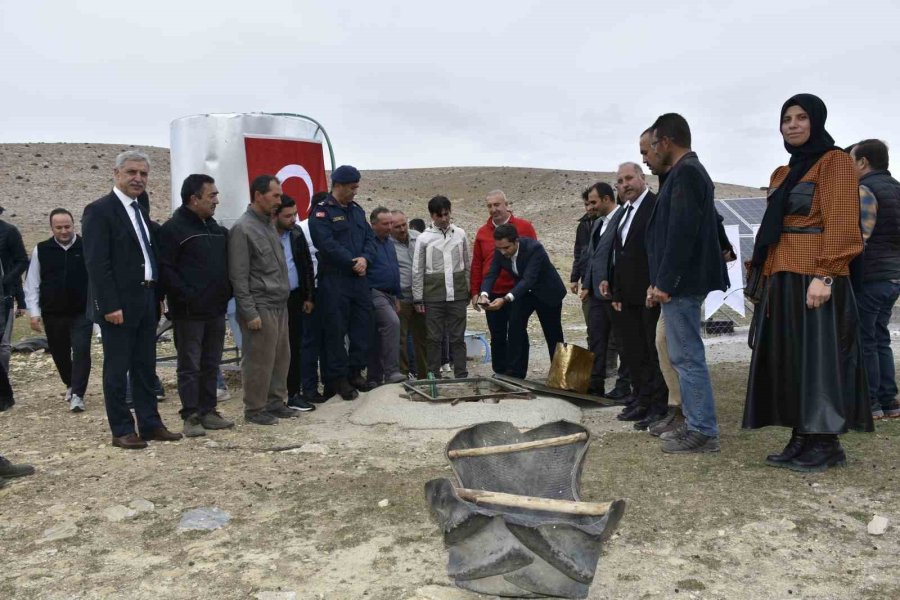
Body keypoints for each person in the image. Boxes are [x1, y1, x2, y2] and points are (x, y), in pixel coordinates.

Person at [743, 94, 872, 471]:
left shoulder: (835, 162)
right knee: (793, 360)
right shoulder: (783, 173)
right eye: (786, 119)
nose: (793, 125)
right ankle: (801, 434)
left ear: (816, 121)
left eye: (801, 117)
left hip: (816, 277)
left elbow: (842, 222)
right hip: (783, 277)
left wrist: (826, 274)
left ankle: (826, 443)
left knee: (819, 360)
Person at [82, 150, 182, 449]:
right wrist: (109, 305)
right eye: (131, 172)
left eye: (143, 174)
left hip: (147, 299)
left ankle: (150, 424)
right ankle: (122, 429)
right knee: (117, 369)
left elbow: (148, 256)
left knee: (145, 366)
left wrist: (157, 295)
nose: (138, 178)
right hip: (118, 306)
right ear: (116, 174)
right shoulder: (99, 211)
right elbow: (97, 263)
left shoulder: (140, 210)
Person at [645, 114, 729, 453]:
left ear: (666, 142)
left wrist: (665, 282)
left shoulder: (687, 173)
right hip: (679, 282)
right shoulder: (683, 173)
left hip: (682, 283)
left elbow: (681, 233)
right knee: (682, 355)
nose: (652, 152)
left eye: (653, 145)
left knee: (688, 357)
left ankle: (703, 431)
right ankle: (695, 424)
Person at [158, 174, 235, 437]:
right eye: (211, 195)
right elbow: (166, 270)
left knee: (211, 363)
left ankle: (208, 411)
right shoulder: (173, 229)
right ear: (194, 199)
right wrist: (187, 296)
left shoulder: (215, 229)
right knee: (190, 365)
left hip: (216, 310)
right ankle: (190, 416)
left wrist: (226, 292)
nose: (216, 200)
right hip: (189, 313)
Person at [602, 162, 668, 430]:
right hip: (627, 296)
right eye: (619, 181)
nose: (624, 184)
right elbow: (621, 254)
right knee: (633, 351)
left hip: (649, 294)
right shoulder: (624, 212)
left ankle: (658, 406)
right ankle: (641, 399)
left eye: (629, 178)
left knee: (652, 352)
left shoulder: (655, 205)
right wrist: (616, 290)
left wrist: (656, 284)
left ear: (642, 178)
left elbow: (659, 249)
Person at [228, 174, 298, 425]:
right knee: (259, 359)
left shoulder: (268, 225)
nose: (279, 200)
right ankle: (255, 408)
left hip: (279, 304)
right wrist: (250, 312)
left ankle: (275, 402)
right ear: (258, 195)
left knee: (280, 357)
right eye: (275, 195)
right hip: (260, 305)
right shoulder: (243, 229)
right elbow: (239, 276)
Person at [309, 166, 376, 399]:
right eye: (352, 187)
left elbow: (369, 239)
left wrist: (365, 259)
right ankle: (337, 378)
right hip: (335, 280)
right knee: (336, 330)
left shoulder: (357, 211)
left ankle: (355, 372)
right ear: (338, 185)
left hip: (359, 279)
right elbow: (326, 244)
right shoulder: (322, 212)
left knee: (362, 326)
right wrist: (351, 262)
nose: (355, 191)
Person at [847, 139, 900, 420]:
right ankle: (890, 401)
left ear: (863, 162)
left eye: (851, 161)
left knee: (866, 338)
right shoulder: (896, 188)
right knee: (881, 337)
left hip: (872, 275)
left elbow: (860, 236)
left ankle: (871, 403)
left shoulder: (865, 189)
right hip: (894, 276)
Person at [23, 208, 92, 412]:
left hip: (82, 311)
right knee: (59, 352)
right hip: (53, 312)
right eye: (59, 227)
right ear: (52, 228)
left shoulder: (87, 246)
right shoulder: (41, 250)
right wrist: (34, 313)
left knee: (81, 350)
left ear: (74, 225)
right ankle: (70, 383)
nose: (64, 231)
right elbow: (32, 283)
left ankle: (78, 394)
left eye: (67, 226)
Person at [480, 224, 565, 378]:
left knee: (553, 333)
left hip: (547, 292)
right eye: (499, 248)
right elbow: (492, 273)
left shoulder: (535, 249)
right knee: (515, 326)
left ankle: (560, 375)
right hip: (524, 293)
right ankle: (516, 373)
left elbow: (528, 279)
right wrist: (484, 294)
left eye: (506, 248)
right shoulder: (500, 250)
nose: (503, 252)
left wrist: (505, 299)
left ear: (516, 241)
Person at [470, 190, 537, 375]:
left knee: (518, 332)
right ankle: (499, 372)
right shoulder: (482, 233)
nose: (493, 209)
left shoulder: (524, 227)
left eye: (497, 204)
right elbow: (477, 264)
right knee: (497, 334)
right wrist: (475, 292)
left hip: (518, 291)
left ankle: (517, 373)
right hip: (492, 291)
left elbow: (534, 258)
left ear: (507, 205)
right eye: (489, 206)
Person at [413, 196, 471, 379]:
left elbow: (467, 264)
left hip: (458, 294)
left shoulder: (460, 234)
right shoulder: (423, 238)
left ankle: (461, 375)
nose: (444, 219)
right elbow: (417, 269)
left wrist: (469, 290)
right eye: (440, 215)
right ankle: (434, 376)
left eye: (447, 214)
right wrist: (418, 298)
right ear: (432, 216)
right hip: (433, 296)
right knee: (433, 338)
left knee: (458, 337)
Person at [579, 183, 626, 396]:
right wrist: (586, 285)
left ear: (607, 199)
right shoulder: (598, 224)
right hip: (596, 295)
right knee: (596, 338)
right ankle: (595, 383)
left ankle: (624, 386)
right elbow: (591, 257)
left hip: (616, 293)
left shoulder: (623, 219)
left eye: (594, 202)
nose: (590, 207)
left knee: (621, 341)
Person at [273, 195, 316, 412]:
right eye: (288, 216)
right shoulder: (264, 235)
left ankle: (293, 393)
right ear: (275, 216)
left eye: (295, 214)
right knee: (274, 349)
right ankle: (273, 396)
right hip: (272, 300)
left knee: (294, 346)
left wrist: (308, 297)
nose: (293, 219)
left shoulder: (296, 233)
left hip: (295, 297)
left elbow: (306, 265)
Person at [298, 191, 330, 403]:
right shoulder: (301, 229)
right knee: (310, 341)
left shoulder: (333, 228)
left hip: (331, 290)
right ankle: (309, 388)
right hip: (310, 292)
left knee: (331, 340)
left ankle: (331, 384)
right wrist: (307, 295)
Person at [366, 207, 404, 386]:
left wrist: (397, 296)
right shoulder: (367, 242)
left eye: (391, 223)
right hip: (374, 292)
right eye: (385, 224)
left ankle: (374, 377)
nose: (390, 227)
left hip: (390, 294)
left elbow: (394, 268)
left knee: (377, 335)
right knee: (392, 323)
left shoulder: (389, 243)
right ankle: (392, 372)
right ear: (373, 224)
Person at [391, 210, 427, 379]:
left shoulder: (419, 237)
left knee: (423, 337)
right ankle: (404, 375)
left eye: (404, 224)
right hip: (402, 297)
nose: (402, 229)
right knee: (401, 339)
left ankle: (424, 376)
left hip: (422, 296)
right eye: (397, 226)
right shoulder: (387, 244)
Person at [0, 206, 28, 371]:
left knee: (3, 344)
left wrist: (5, 282)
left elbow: (22, 261)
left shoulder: (9, 232)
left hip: (4, 296)